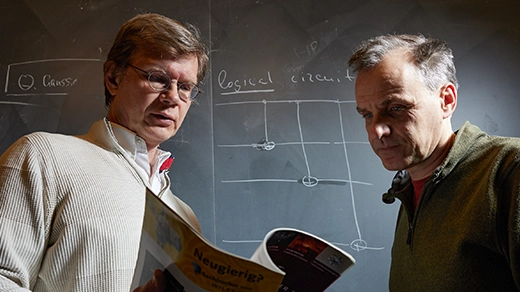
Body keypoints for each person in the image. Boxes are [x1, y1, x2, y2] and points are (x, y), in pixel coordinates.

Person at [0, 13, 208, 291]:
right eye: (157, 78)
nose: (172, 97)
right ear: (113, 77)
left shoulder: (185, 216)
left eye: (185, 87)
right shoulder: (42, 157)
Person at [348, 34, 520, 291]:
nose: (377, 131)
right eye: (368, 114)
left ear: (446, 100)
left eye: (395, 108)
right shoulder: (409, 188)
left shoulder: (509, 171)